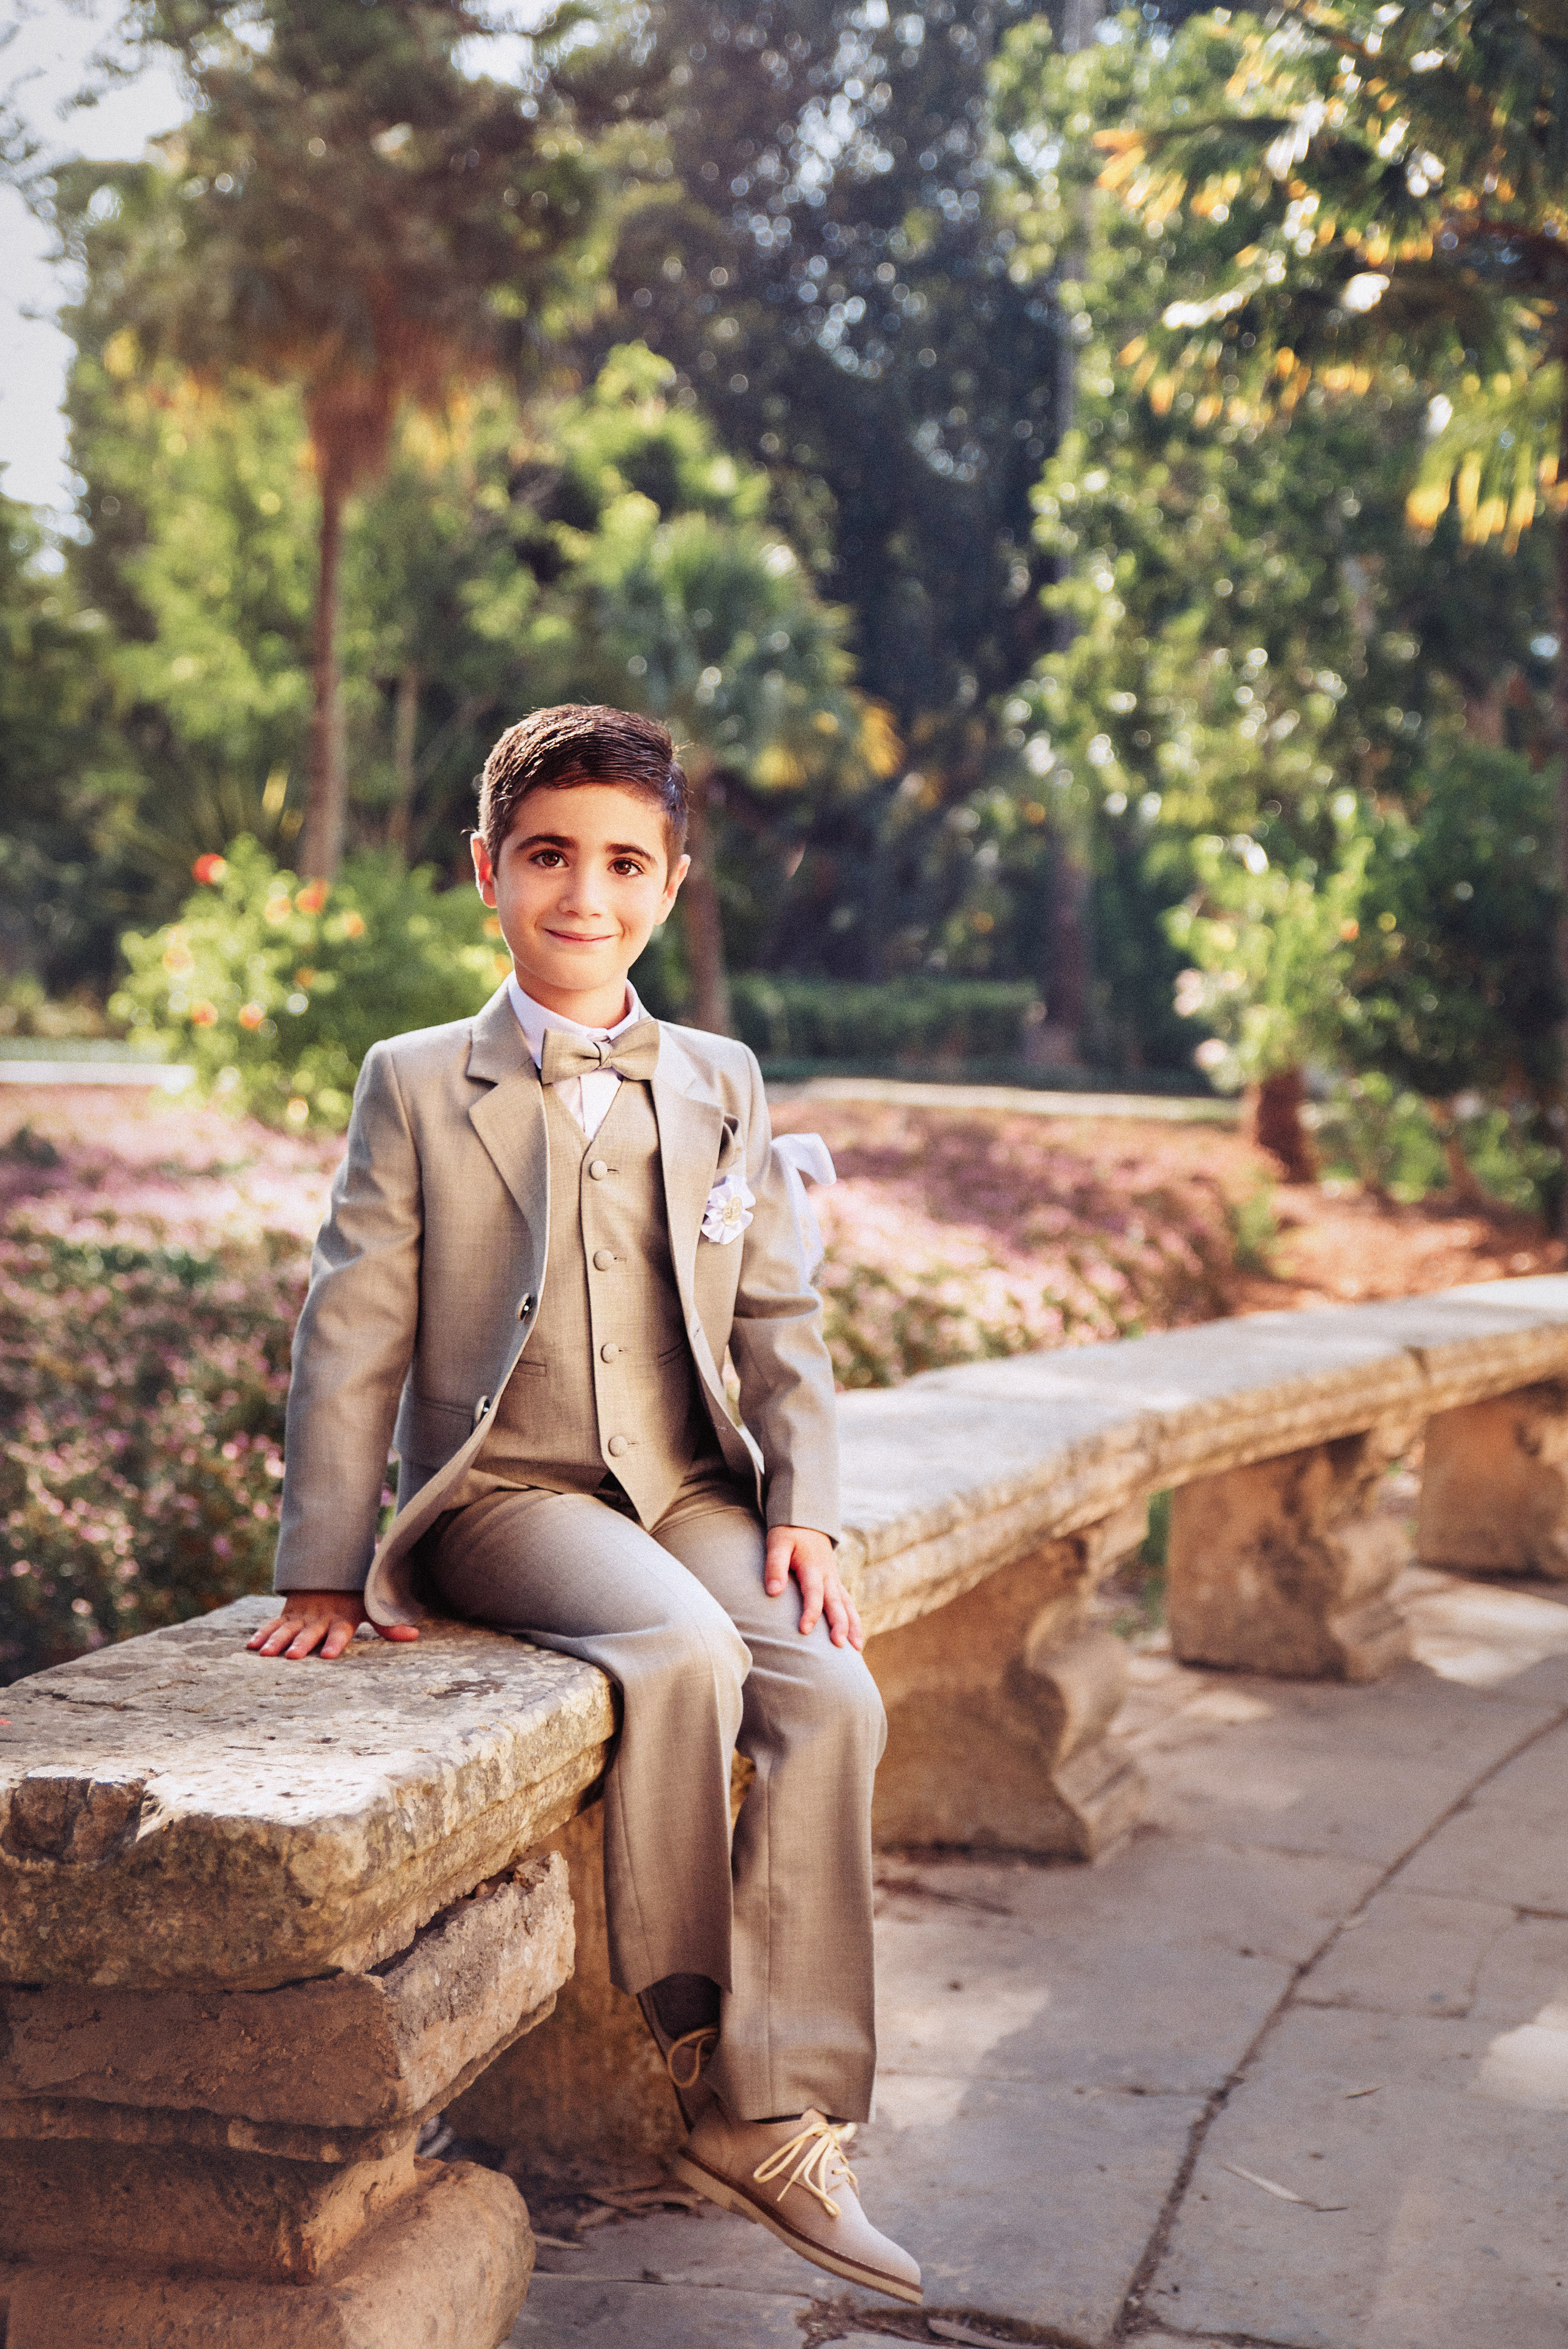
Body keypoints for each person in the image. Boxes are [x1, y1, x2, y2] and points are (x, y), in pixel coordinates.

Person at [246, 703, 920, 2307]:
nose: (584, 894)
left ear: (672, 883)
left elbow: (780, 1323)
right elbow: (353, 1327)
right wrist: (327, 1565)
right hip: (510, 1492)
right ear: (489, 872)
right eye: (549, 856)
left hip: (687, 1482)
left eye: (624, 862)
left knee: (831, 1692)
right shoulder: (417, 1083)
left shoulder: (722, 1080)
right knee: (682, 1654)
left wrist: (801, 1508)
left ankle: (785, 2103)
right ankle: (701, 2056)